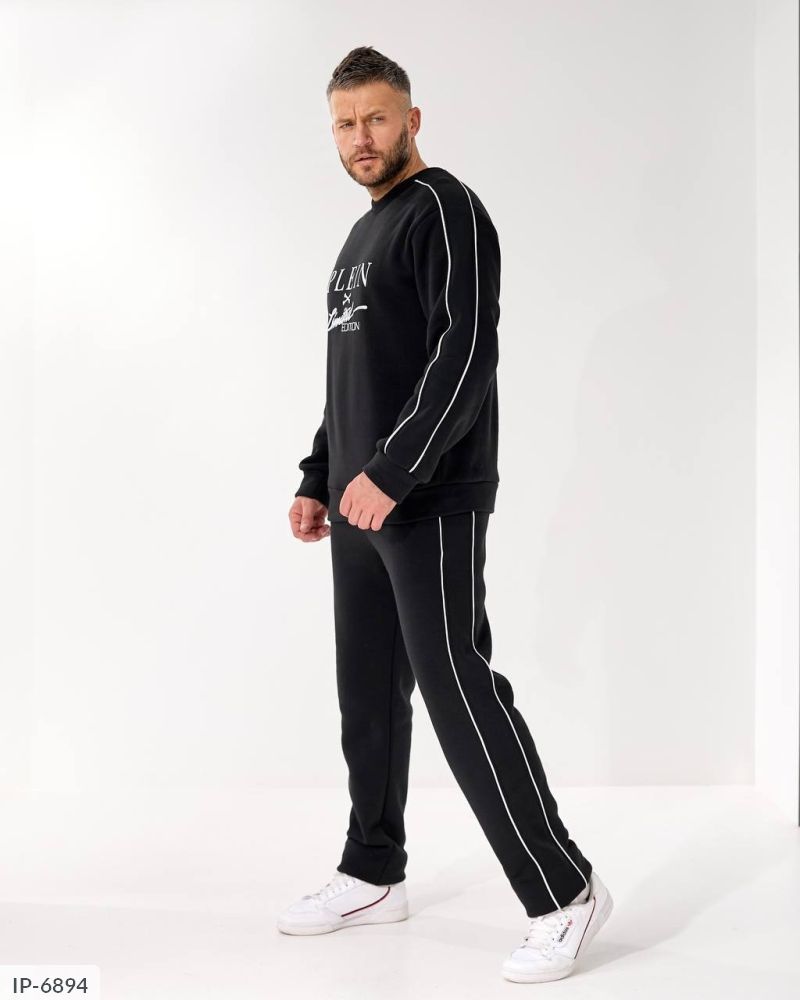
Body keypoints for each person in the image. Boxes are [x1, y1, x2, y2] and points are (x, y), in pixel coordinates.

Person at [279, 45, 613, 984]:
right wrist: (319, 475)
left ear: (412, 120)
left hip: (427, 496)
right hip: (360, 504)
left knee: (460, 690)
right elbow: (351, 380)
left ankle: (565, 891)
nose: (361, 137)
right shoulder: (359, 239)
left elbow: (466, 353)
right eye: (346, 124)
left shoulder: (446, 209)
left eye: (377, 118)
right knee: (367, 696)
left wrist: (394, 470)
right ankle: (372, 871)